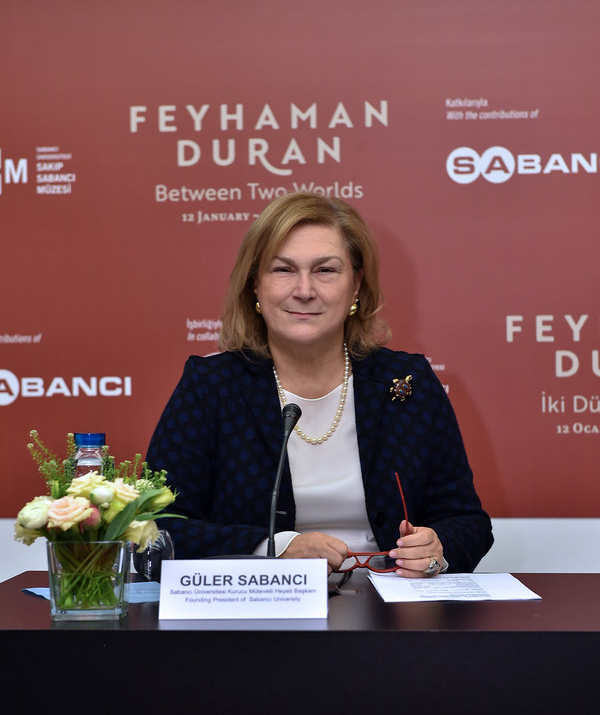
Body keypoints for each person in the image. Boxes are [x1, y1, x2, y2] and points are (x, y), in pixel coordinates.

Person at [146, 192, 493, 577]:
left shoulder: (407, 383)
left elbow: (468, 521)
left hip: (391, 603)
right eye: (283, 269)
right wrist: (274, 550)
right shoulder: (210, 387)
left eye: (325, 270)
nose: (304, 290)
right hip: (263, 607)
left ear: (356, 285)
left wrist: (437, 548)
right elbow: (157, 528)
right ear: (255, 285)